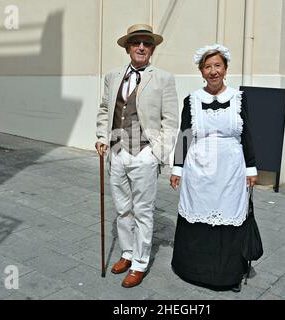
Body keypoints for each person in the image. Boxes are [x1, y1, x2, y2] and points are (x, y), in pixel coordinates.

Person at [95, 24, 179, 288]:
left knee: (143, 212)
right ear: (127, 47)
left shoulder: (163, 78)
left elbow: (170, 119)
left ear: (152, 49)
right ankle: (127, 254)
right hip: (117, 152)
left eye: (146, 43)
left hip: (144, 153)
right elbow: (105, 108)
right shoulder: (112, 76)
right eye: (136, 43)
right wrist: (101, 137)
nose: (141, 47)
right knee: (122, 210)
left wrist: (158, 153)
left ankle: (140, 263)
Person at [169, 44, 258, 292]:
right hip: (199, 168)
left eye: (217, 65)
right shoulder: (192, 100)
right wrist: (178, 168)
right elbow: (184, 135)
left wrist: (251, 168)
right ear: (201, 71)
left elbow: (247, 134)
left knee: (229, 217)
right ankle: (192, 269)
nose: (213, 71)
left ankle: (227, 275)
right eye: (207, 67)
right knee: (198, 216)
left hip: (231, 169)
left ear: (226, 69)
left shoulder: (239, 99)